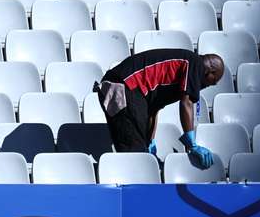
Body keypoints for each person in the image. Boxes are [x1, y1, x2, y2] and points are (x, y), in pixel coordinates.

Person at [95, 49, 225, 168]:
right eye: (213, 82)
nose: (208, 86)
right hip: (125, 85)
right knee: (135, 154)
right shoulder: (196, 63)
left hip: (122, 88)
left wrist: (150, 140)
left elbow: (152, 110)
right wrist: (192, 144)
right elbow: (187, 103)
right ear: (211, 71)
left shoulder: (174, 80)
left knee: (133, 149)